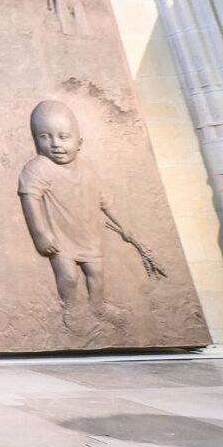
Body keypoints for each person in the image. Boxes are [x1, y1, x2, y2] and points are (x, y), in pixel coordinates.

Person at [19, 99, 133, 331]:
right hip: (60, 237)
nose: (54, 144)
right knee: (69, 277)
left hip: (89, 235)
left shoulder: (88, 171)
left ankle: (98, 306)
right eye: (44, 136)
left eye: (63, 137)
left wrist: (124, 226)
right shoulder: (38, 167)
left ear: (79, 142)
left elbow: (106, 202)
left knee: (97, 274)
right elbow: (30, 198)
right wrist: (40, 233)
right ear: (35, 141)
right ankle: (71, 306)